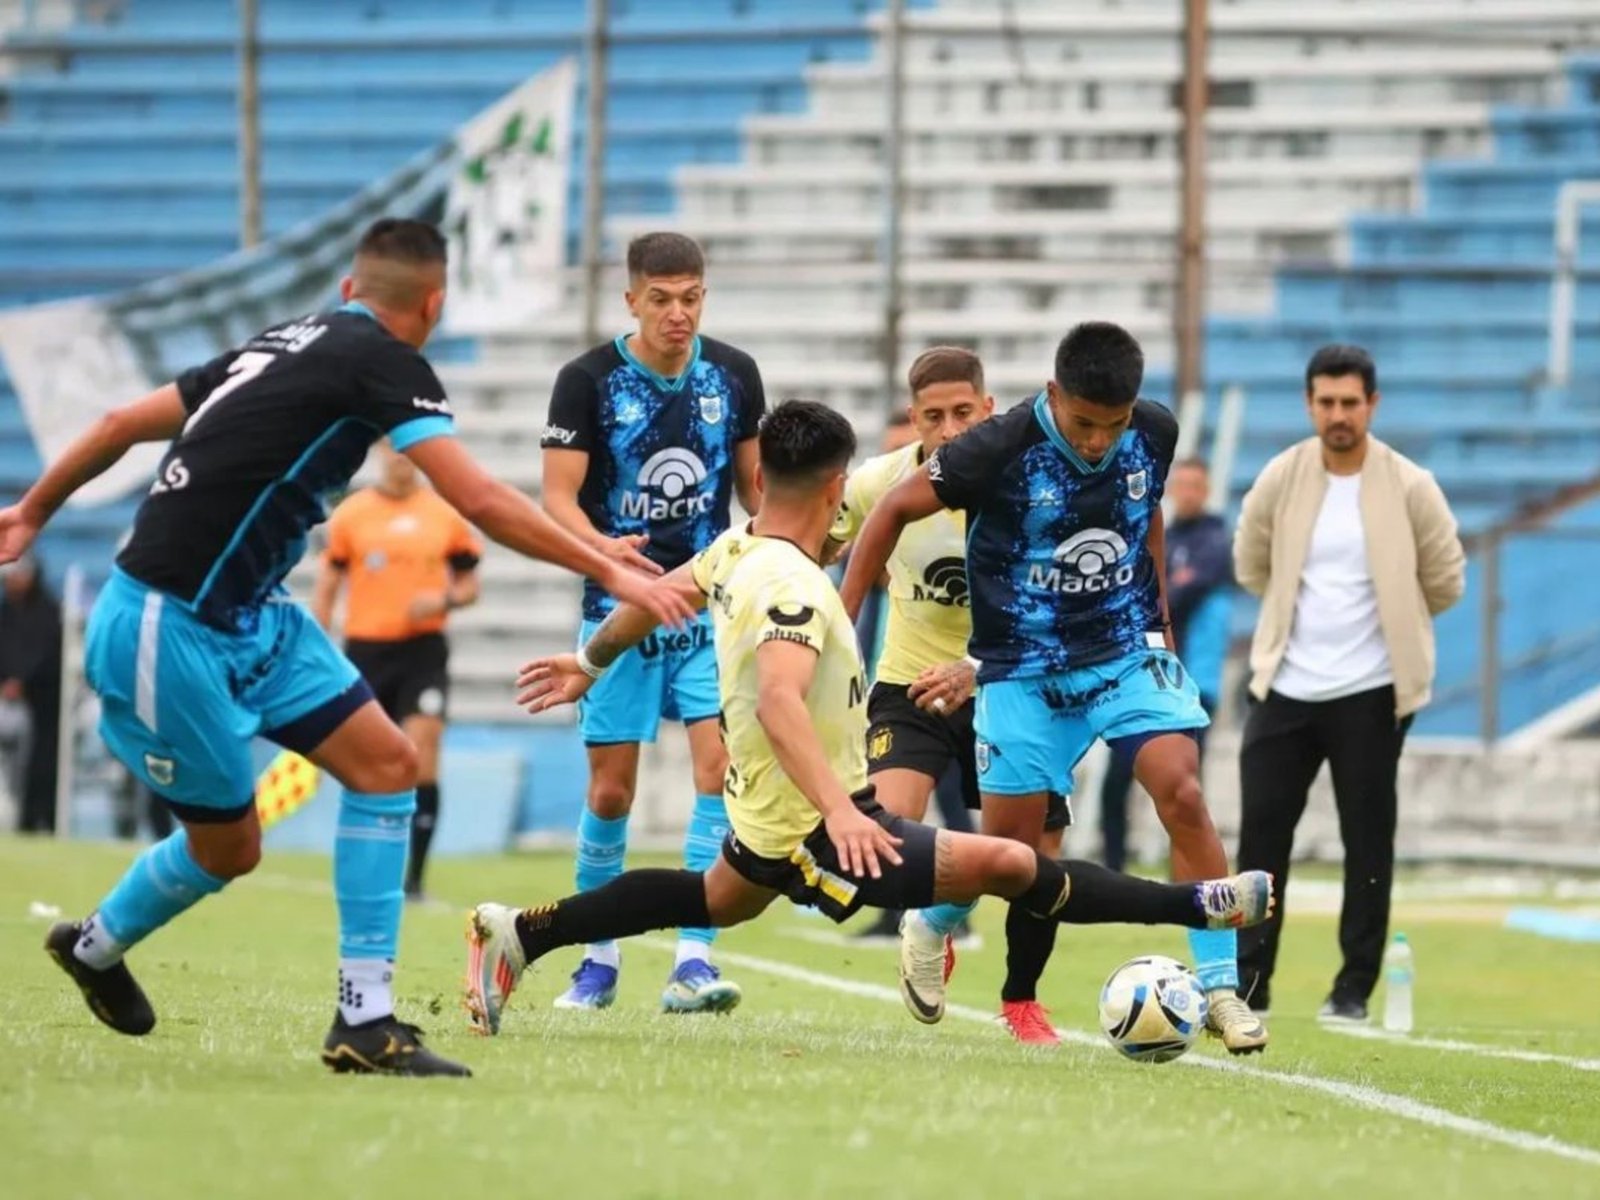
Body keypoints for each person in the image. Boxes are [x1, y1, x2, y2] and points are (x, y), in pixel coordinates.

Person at [0, 217, 693, 1077]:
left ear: (348, 291)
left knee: (388, 766)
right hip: (163, 624)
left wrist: (34, 510)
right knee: (232, 847)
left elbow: (117, 421)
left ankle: (363, 1021)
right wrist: (612, 571)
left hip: (256, 616)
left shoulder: (281, 341)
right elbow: (475, 497)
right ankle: (94, 946)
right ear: (433, 304)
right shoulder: (386, 361)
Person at [464, 399, 1275, 1035]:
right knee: (1010, 866)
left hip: (769, 810)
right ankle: (1202, 904)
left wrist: (588, 662)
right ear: (834, 490)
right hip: (815, 825)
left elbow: (652, 600)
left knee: (711, 898)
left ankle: (523, 934)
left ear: (758, 486)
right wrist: (842, 812)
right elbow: (782, 701)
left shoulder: (735, 548)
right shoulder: (793, 586)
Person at [838, 322, 1269, 1055]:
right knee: (1011, 858)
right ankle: (933, 922)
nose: (1099, 442)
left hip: (1120, 652)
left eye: (1114, 425)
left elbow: (1146, 511)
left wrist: (1157, 624)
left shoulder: (1154, 432)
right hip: (1021, 668)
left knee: (1182, 788)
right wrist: (842, 633)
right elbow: (889, 511)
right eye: (1083, 424)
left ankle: (1222, 988)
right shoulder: (994, 448)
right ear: (1051, 396)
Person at [539, 231, 765, 1014]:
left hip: (709, 606)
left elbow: (756, 493)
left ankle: (694, 959)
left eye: (691, 297)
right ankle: (596, 962)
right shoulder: (588, 381)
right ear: (631, 299)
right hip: (622, 609)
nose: (678, 313)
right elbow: (557, 497)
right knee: (610, 793)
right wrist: (602, 549)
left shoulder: (733, 374)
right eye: (661, 299)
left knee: (716, 773)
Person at [1233, 344, 1464, 1023]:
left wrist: (1393, 622)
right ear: (1310, 404)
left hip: (1371, 692)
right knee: (1261, 844)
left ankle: (1353, 988)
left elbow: (1445, 578)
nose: (1338, 415)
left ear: (1372, 405)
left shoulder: (1410, 484)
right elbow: (1252, 561)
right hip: (1285, 689)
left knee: (1367, 844)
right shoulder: (1283, 476)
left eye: (1350, 403)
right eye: (1326, 402)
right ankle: (1250, 981)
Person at [312, 440, 483, 901]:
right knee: (369, 766)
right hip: (365, 652)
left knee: (424, 751)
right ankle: (367, 873)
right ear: (379, 450)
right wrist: (318, 641)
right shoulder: (352, 514)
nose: (401, 457)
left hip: (423, 653)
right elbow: (329, 582)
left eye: (409, 448)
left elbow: (469, 585)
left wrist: (444, 599)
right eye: (393, 447)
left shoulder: (443, 514)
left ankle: (416, 879)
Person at [1098, 457, 1232, 872]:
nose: (1188, 493)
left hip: (1193, 685)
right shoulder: (1164, 537)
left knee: (1185, 790)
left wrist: (1154, 593)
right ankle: (1115, 871)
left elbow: (1172, 598)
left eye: (1196, 485)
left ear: (1206, 490)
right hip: (1145, 684)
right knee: (1116, 784)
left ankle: (1189, 879)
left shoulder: (1216, 541)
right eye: (1182, 485)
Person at [0, 553, 62, 832]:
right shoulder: (4, 612)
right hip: (6, 697)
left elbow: (47, 653)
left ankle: (37, 819)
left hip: (41, 703)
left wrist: (23, 680)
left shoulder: (48, 612)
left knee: (41, 764)